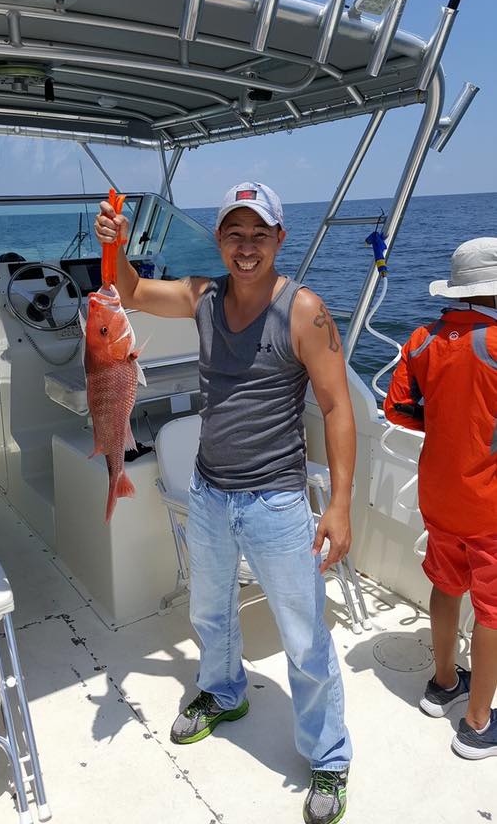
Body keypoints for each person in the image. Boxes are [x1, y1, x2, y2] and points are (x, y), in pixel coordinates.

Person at [96, 182, 356, 823]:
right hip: (209, 492)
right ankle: (222, 692)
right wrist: (117, 245)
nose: (246, 247)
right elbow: (130, 291)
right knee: (210, 614)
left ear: (279, 238)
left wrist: (340, 504)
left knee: (304, 636)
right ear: (219, 240)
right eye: (235, 234)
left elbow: (336, 408)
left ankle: (328, 756)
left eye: (259, 234)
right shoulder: (202, 297)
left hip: (277, 502)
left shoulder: (304, 312)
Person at [384, 237, 497, 759]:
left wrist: (449, 423)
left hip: (439, 495)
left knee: (446, 586)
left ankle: (444, 683)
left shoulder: (422, 340)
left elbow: (397, 410)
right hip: (489, 505)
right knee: (492, 611)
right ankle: (477, 724)